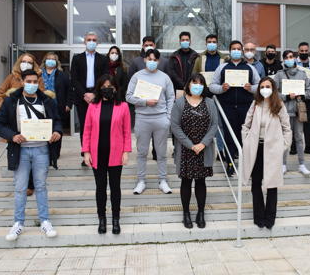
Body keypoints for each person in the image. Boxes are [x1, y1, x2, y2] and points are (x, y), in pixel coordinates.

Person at [0, 70, 62, 241]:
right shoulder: (11, 101)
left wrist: (57, 132)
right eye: (28, 81)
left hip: (42, 150)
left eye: (34, 81)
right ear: (22, 82)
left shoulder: (47, 100)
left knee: (40, 186)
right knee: (20, 187)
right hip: (21, 150)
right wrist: (12, 136)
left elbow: (58, 120)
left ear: (38, 82)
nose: (32, 84)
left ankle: (45, 221)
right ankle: (18, 223)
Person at [82, 74, 132, 234]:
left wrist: (126, 151)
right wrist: (86, 152)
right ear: (99, 89)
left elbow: (126, 132)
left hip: (116, 153)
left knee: (115, 188)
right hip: (97, 153)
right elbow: (87, 130)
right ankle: (102, 219)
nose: (107, 90)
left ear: (116, 89)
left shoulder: (123, 106)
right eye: (104, 87)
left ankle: (115, 219)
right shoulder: (92, 106)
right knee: (100, 188)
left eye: (110, 87)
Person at [242, 77, 292, 229]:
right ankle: (259, 216)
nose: (265, 89)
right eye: (262, 86)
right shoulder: (255, 104)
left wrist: (283, 146)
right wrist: (246, 141)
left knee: (272, 184)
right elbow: (246, 124)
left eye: (268, 86)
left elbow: (287, 128)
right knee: (256, 183)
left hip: (272, 150)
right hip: (256, 148)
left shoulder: (279, 105)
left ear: (273, 88)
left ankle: (270, 218)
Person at [0, 53, 47, 197]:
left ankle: (30, 185)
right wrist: (3, 105)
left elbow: (43, 96)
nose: (26, 64)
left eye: (29, 62)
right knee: (18, 153)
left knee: (32, 150)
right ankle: (20, 182)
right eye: (23, 61)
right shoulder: (12, 77)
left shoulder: (39, 78)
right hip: (15, 123)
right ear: (19, 63)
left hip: (33, 122)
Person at [171, 74, 218, 229]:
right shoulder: (179, 103)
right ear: (188, 85)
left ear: (204, 86)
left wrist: (203, 144)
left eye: (200, 83)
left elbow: (214, 126)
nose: (197, 86)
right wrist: (191, 145)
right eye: (194, 83)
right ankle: (186, 213)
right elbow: (175, 126)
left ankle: (201, 213)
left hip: (203, 149)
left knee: (201, 181)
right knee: (185, 181)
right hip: (186, 150)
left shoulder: (210, 103)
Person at [126, 49, 175, 195]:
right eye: (149, 59)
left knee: (161, 153)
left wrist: (168, 117)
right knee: (142, 152)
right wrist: (145, 101)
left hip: (161, 118)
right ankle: (141, 181)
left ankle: (162, 180)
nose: (152, 62)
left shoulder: (164, 77)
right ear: (145, 60)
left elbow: (170, 97)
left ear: (158, 61)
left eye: (155, 60)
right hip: (142, 118)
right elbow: (128, 96)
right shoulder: (137, 76)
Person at [209, 40, 260, 176]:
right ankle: (230, 164)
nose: (236, 51)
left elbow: (260, 86)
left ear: (242, 51)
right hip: (227, 107)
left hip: (245, 107)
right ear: (230, 51)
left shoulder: (250, 68)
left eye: (239, 49)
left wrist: (251, 88)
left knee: (244, 136)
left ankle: (246, 165)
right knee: (229, 136)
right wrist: (222, 88)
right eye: (234, 49)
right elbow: (212, 86)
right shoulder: (222, 67)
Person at [70, 31, 109, 166]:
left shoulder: (103, 59)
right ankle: (85, 155)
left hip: (97, 97)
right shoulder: (77, 58)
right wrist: (84, 94)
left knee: (99, 125)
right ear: (84, 42)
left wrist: (94, 94)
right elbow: (74, 79)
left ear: (97, 43)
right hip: (82, 98)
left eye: (94, 40)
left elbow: (104, 78)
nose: (91, 42)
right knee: (85, 127)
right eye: (89, 39)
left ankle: (98, 153)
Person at [274, 50, 310, 176]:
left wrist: (302, 94)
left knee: (299, 138)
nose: (289, 59)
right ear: (284, 60)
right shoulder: (279, 75)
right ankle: (283, 164)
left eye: (291, 57)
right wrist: (286, 96)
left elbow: (309, 91)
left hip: (298, 111)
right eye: (286, 58)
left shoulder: (302, 74)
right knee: (284, 139)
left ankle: (301, 164)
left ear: (295, 58)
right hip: (284, 111)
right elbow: (274, 93)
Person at [39, 52, 71, 159]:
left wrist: (68, 104)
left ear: (56, 62)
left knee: (56, 129)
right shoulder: (38, 74)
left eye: (53, 59)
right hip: (41, 106)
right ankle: (45, 151)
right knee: (44, 128)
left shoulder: (62, 75)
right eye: (48, 59)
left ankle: (55, 152)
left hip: (58, 106)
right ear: (44, 61)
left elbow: (69, 90)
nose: (50, 61)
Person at [295, 42, 310, 155]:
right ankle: (293, 146)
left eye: (306, 51)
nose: (304, 53)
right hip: (296, 96)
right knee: (295, 121)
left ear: (308, 51)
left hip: (309, 97)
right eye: (302, 51)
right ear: (298, 51)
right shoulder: (294, 62)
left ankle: (308, 145)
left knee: (307, 122)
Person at [168, 31, 199, 98]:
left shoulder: (196, 56)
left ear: (190, 41)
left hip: (192, 88)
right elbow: (171, 72)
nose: (185, 41)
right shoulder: (174, 56)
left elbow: (197, 72)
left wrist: (189, 84)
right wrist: (183, 85)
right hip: (177, 89)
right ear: (180, 42)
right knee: (180, 106)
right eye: (183, 40)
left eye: (187, 40)